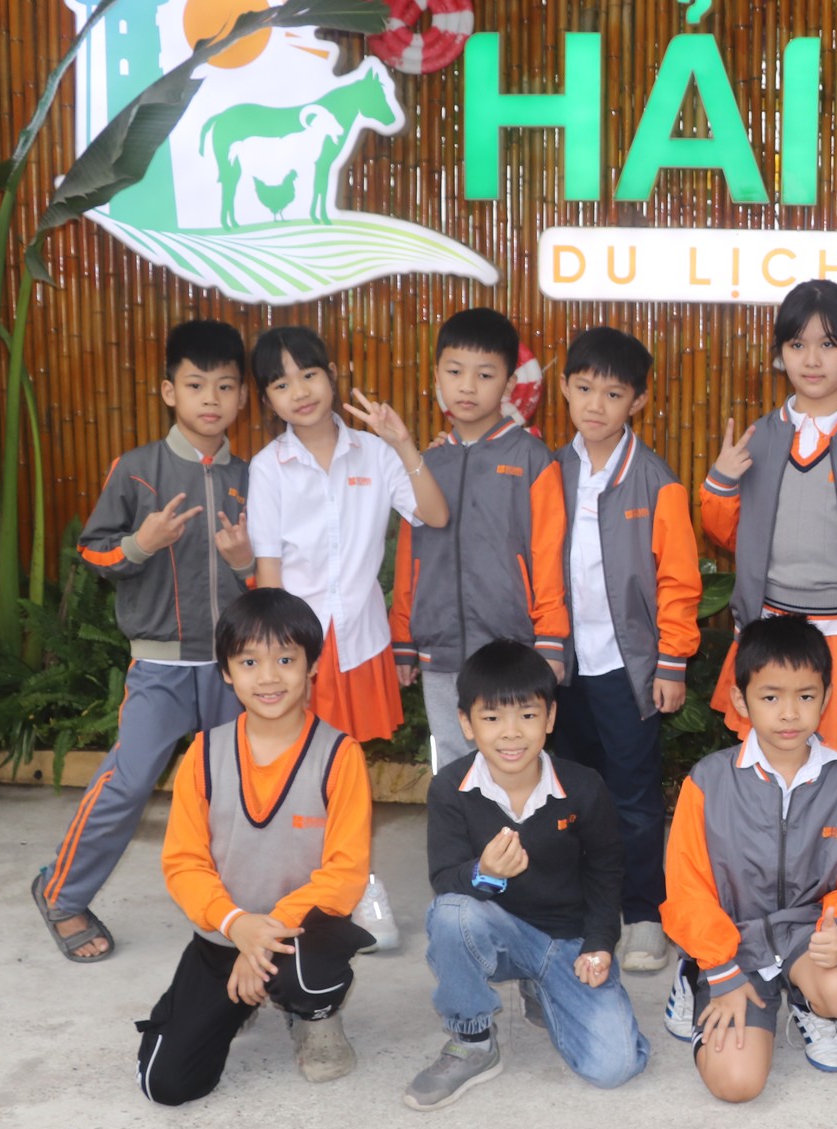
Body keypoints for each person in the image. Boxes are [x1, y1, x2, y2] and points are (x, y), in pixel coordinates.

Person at [33, 319, 255, 962]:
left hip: (235, 669)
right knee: (128, 783)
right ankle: (62, 895)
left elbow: (269, 575)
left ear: (242, 397)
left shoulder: (254, 476)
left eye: (225, 386)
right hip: (160, 667)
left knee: (241, 790)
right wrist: (140, 543)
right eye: (196, 385)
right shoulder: (137, 470)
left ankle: (239, 905)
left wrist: (244, 565)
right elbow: (93, 554)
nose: (210, 398)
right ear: (168, 391)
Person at [134, 588, 376, 1105]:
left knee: (308, 978)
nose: (268, 677)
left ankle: (313, 1016)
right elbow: (183, 863)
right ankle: (242, 1001)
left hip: (302, 938)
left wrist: (264, 938)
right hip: (225, 935)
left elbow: (344, 872)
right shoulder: (204, 755)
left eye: (286, 659)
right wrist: (237, 925)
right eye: (249, 662)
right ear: (226, 671)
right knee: (167, 1084)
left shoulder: (340, 756)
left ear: (313, 666)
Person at [660, 614, 837, 1100]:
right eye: (771, 697)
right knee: (737, 1084)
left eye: (805, 696)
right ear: (740, 701)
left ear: (826, 700)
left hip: (806, 937)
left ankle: (809, 1001)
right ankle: (694, 972)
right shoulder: (708, 781)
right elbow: (686, 887)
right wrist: (722, 971)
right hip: (732, 942)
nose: (789, 714)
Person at [403, 640, 649, 1110]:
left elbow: (605, 870)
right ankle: (473, 1040)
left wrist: (599, 943)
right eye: (492, 718)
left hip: (567, 941)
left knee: (616, 1066)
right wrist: (485, 873)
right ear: (466, 724)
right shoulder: (451, 788)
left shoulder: (583, 786)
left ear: (550, 718)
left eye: (528, 715)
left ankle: (543, 988)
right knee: (451, 914)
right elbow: (445, 880)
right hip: (495, 934)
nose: (511, 733)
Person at [700, 279, 837, 753]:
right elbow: (728, 538)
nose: (812, 359)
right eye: (797, 344)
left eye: (828, 344)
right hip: (770, 629)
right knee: (768, 764)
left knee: (835, 770)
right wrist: (720, 482)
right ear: (781, 353)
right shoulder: (760, 437)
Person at [548, 326, 702, 974]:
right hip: (560, 667)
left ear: (637, 401)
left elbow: (679, 580)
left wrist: (671, 662)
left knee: (634, 800)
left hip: (626, 667)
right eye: (584, 388)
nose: (595, 405)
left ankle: (643, 915)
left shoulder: (655, 480)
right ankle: (583, 910)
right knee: (566, 794)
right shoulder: (550, 472)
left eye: (613, 394)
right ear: (563, 388)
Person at [247, 325, 449, 743]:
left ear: (333, 374)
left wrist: (404, 444)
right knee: (301, 754)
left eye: (309, 375)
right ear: (267, 400)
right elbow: (268, 571)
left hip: (361, 634)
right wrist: (279, 657)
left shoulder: (375, 452)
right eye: (282, 385)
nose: (300, 392)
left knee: (350, 755)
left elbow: (436, 516)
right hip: (297, 640)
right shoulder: (267, 467)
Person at [391, 307, 571, 769]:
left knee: (512, 760)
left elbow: (548, 555)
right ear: (436, 376)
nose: (467, 386)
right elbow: (411, 558)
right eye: (455, 372)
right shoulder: (425, 465)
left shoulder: (532, 459)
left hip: (510, 649)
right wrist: (403, 639)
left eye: (485, 374)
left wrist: (551, 640)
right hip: (440, 650)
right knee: (453, 762)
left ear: (508, 383)